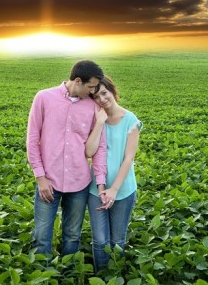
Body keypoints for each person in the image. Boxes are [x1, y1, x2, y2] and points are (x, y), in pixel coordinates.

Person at [27, 60, 108, 257]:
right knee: (41, 235)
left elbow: (100, 148)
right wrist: (40, 178)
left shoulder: (93, 107)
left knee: (72, 235)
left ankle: (69, 270)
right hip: (49, 181)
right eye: (90, 87)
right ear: (78, 81)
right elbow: (32, 139)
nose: (93, 92)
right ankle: (42, 271)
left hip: (79, 182)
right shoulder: (44, 98)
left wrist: (100, 182)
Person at [84, 76, 142, 272]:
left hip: (123, 190)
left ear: (111, 90)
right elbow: (89, 152)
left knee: (117, 240)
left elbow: (128, 158)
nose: (101, 99)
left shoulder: (130, 120)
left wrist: (114, 189)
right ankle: (101, 277)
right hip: (96, 189)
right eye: (96, 97)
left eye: (104, 93)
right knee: (100, 240)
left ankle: (115, 276)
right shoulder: (95, 120)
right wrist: (100, 122)